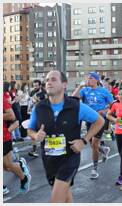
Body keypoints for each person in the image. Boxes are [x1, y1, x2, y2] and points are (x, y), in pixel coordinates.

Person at [27, 70, 104, 202]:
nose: (49, 82)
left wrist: (84, 141)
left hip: (70, 158)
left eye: (53, 79)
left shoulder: (76, 106)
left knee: (56, 200)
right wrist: (35, 135)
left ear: (64, 84)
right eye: (47, 80)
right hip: (49, 159)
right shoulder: (39, 108)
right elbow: (30, 129)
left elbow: (100, 121)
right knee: (65, 195)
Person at [72, 72, 113, 179]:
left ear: (96, 80)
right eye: (87, 78)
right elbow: (73, 99)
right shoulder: (85, 90)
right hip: (88, 120)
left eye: (90, 78)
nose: (88, 80)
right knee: (92, 144)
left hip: (99, 121)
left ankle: (94, 169)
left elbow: (112, 105)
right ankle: (103, 150)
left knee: (94, 144)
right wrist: (80, 86)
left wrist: (103, 111)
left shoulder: (103, 91)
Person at [4, 92, 31, 194]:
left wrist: (7, 131)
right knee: (5, 166)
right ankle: (20, 164)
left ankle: (24, 178)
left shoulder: (3, 99)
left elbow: (12, 117)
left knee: (8, 165)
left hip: (3, 138)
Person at [28, 79, 47, 157]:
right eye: (34, 85)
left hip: (42, 114)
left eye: (36, 85)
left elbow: (46, 102)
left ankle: (46, 147)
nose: (35, 87)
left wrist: (37, 100)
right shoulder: (32, 92)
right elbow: (30, 101)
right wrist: (30, 107)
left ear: (39, 85)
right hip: (33, 113)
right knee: (32, 131)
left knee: (44, 131)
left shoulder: (44, 93)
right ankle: (34, 150)